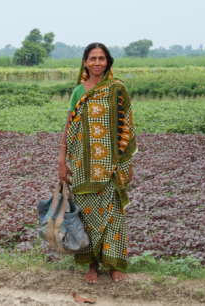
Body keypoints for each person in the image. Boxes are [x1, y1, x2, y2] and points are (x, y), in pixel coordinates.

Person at [58, 42, 137, 283]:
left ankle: (114, 264)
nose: (97, 63)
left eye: (101, 58)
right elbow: (69, 125)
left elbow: (126, 124)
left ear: (108, 61)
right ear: (85, 62)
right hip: (83, 165)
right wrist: (62, 158)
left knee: (113, 214)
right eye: (92, 58)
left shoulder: (117, 89)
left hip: (111, 165)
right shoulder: (78, 92)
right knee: (87, 215)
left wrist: (123, 159)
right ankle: (91, 265)